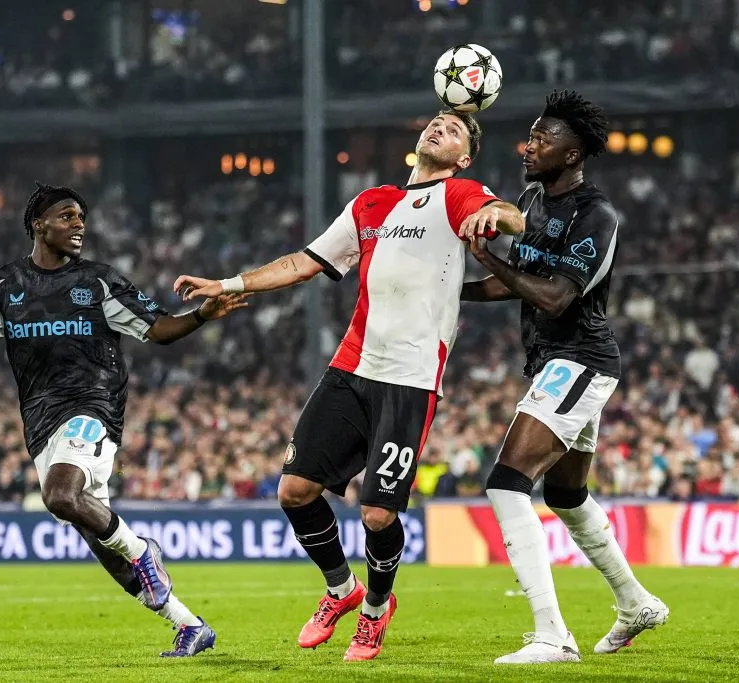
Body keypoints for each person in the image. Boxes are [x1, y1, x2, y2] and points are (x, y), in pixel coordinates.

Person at [174, 110, 525, 661]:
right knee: (294, 491)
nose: (438, 128)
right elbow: (302, 262)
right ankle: (342, 591)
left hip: (409, 378)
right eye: (434, 122)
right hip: (351, 366)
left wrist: (498, 218)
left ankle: (377, 611)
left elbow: (507, 215)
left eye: (453, 130)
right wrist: (228, 282)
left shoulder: (460, 194)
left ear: (464, 158)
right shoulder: (370, 203)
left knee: (378, 514)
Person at [0, 183, 248, 658]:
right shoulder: (3, 285)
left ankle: (145, 553)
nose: (78, 224)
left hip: (93, 406)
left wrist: (200, 314)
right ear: (38, 224)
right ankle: (189, 624)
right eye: (66, 216)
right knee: (103, 545)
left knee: (59, 495)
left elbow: (157, 329)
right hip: (41, 423)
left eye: (81, 216)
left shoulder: (98, 281)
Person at [461, 90, 669, 664]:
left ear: (573, 154)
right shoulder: (534, 199)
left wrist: (490, 261)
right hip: (557, 362)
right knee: (566, 493)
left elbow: (554, 297)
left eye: (543, 140)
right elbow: (513, 282)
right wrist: (450, 293)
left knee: (507, 483)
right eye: (529, 136)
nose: (529, 146)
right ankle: (635, 603)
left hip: (578, 359)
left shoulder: (596, 216)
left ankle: (552, 635)